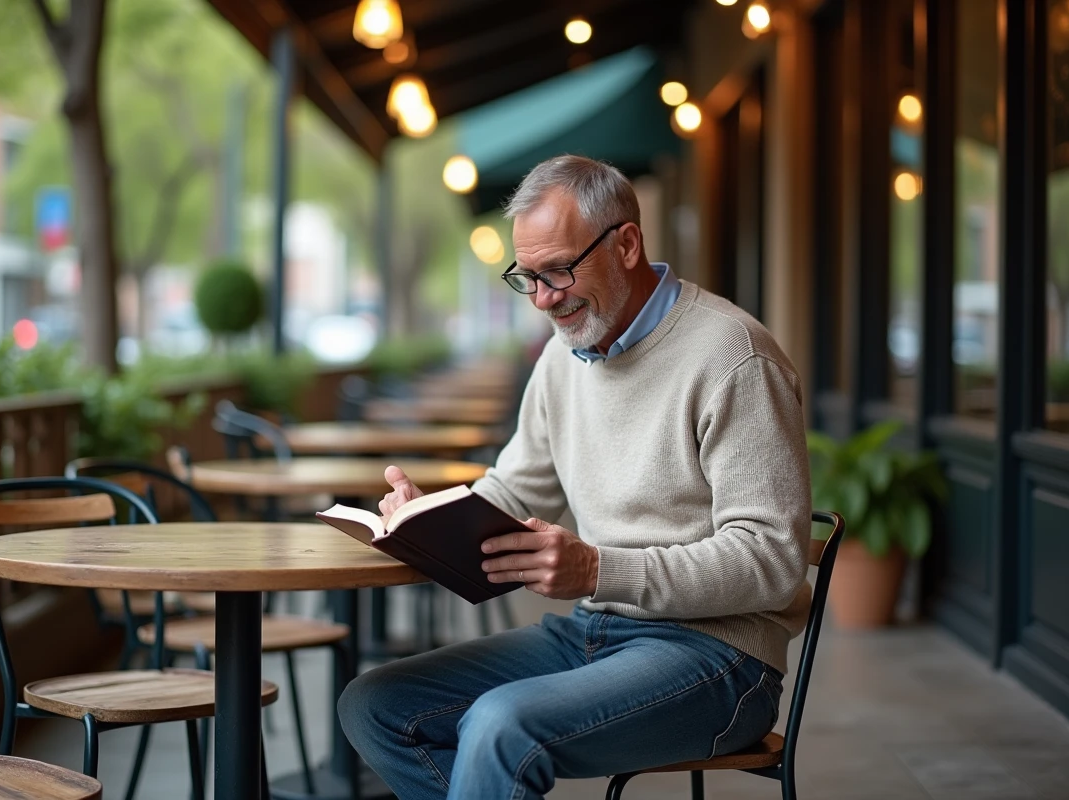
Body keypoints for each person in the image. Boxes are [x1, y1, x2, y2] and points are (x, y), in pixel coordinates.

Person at [338, 155, 812, 800]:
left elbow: (771, 562)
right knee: (375, 704)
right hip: (594, 633)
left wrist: (596, 571)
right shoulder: (565, 359)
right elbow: (514, 491)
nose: (542, 299)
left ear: (626, 244)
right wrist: (433, 517)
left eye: (558, 270)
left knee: (502, 725)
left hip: (721, 660)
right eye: (526, 277)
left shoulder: (735, 359)